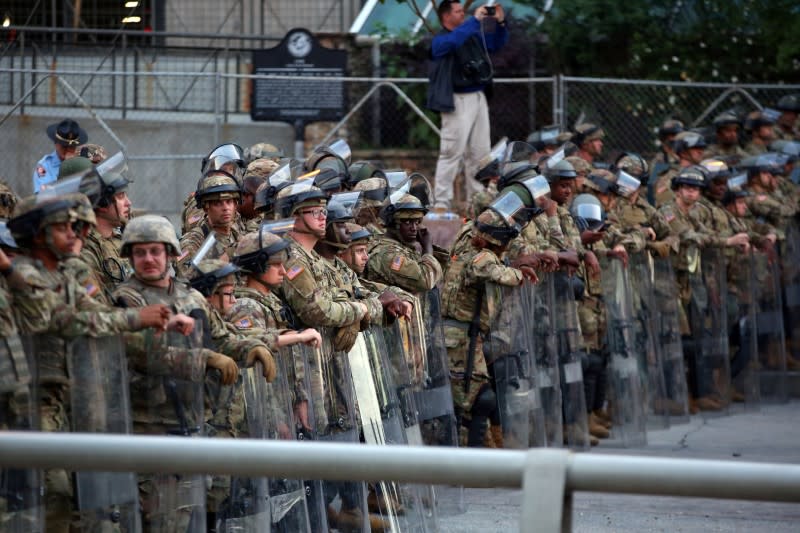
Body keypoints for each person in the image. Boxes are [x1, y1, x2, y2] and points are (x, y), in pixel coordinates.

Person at [427, 0, 509, 211]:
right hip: (457, 101)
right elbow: (453, 42)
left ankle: (477, 201)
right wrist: (474, 20)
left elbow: (494, 44)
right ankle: (442, 203)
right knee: (451, 152)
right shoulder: (441, 39)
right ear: (445, 16)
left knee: (481, 153)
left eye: (463, 11)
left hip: (478, 97)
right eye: (457, 11)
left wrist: (500, 23)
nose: (462, 14)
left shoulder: (469, 33)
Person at [33, 119, 88, 193]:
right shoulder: (44, 166)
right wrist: (67, 167)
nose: (68, 150)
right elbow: (45, 195)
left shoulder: (82, 163)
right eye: (64, 146)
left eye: (72, 147)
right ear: (56, 143)